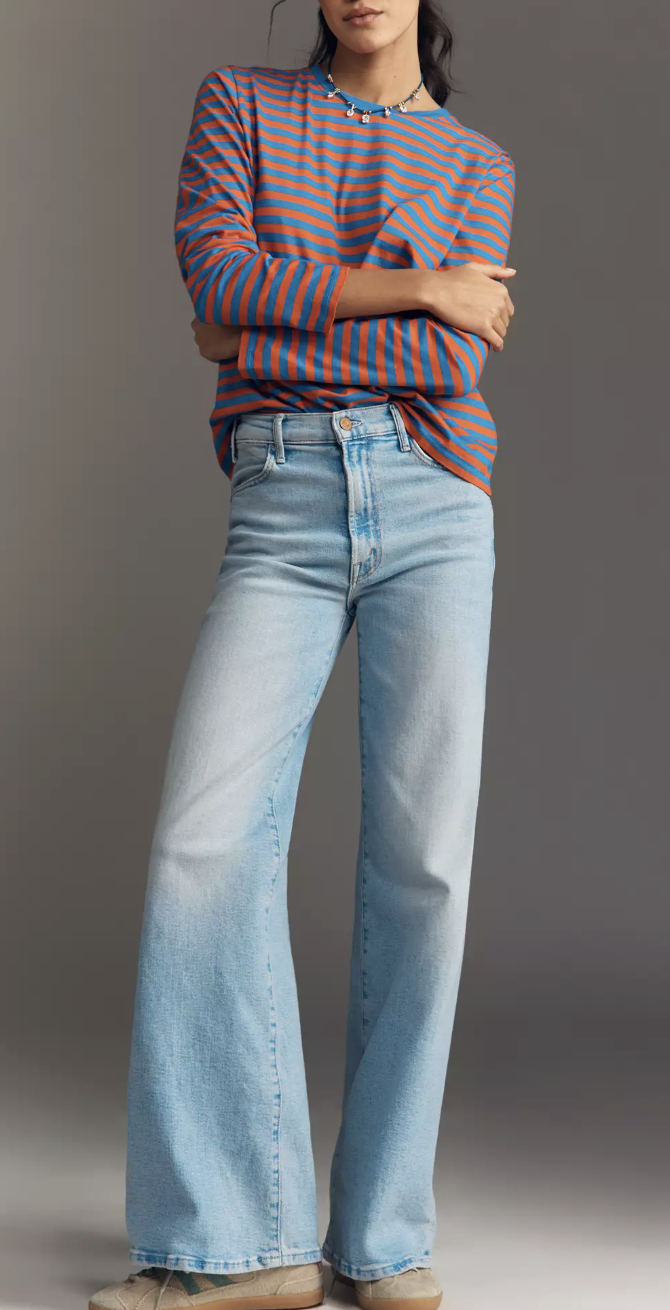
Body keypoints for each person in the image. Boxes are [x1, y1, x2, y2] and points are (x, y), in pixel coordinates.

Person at [90, 3, 515, 1309]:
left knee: (424, 868)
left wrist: (263, 330)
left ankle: (382, 1239)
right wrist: (417, 284)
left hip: (436, 504)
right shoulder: (240, 104)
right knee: (203, 843)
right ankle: (245, 1243)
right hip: (281, 506)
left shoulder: (477, 166)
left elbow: (450, 358)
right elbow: (220, 281)